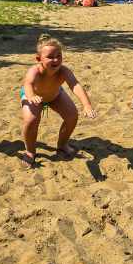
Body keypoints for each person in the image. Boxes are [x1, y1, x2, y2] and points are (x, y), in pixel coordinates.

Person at [20, 34, 98, 168]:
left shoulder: (63, 71)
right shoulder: (34, 71)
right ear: (39, 59)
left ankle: (62, 144)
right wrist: (31, 96)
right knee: (31, 121)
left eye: (59, 56)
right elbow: (28, 84)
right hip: (34, 97)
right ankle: (30, 150)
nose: (56, 60)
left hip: (55, 95)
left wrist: (86, 104)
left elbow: (75, 85)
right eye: (50, 57)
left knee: (72, 115)